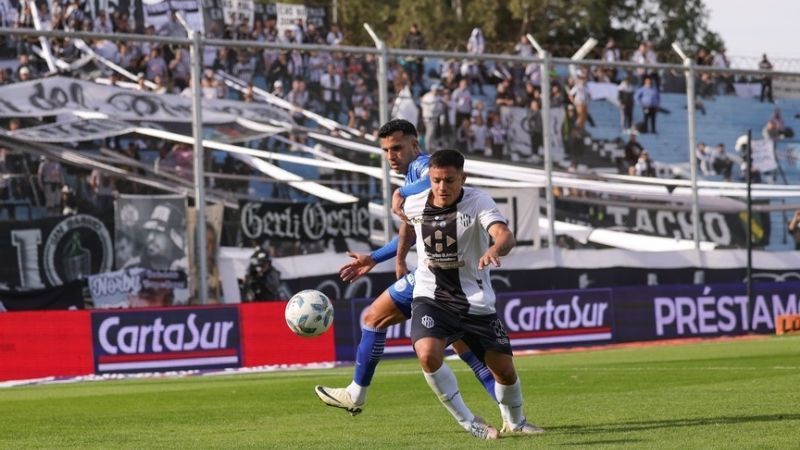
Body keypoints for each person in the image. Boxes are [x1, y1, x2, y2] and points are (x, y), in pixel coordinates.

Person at [314, 119, 496, 416]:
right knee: (465, 349)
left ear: (415, 144)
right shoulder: (414, 176)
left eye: (397, 148)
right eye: (386, 150)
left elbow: (428, 183)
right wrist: (379, 258)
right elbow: (411, 228)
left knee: (374, 318)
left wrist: (401, 192)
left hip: (443, 274)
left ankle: (356, 394)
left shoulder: (424, 167)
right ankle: (512, 415)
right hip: (442, 273)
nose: (391, 156)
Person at [397, 149, 542, 439]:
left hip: (475, 299)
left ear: (463, 178)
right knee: (427, 355)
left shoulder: (479, 202)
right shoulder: (415, 202)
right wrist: (400, 259)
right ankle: (469, 422)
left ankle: (516, 422)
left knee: (504, 371)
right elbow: (408, 227)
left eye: (450, 180)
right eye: (436, 180)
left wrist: (495, 248)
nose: (442, 187)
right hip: (431, 297)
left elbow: (504, 235)